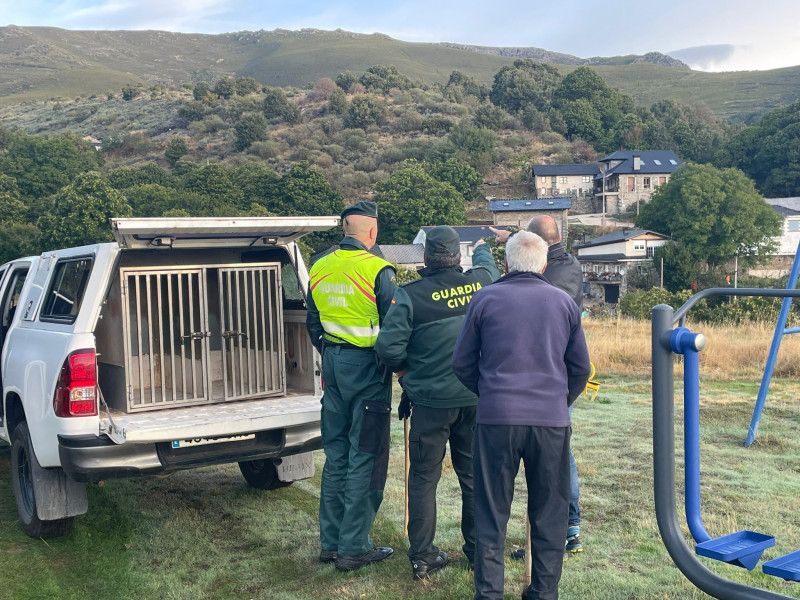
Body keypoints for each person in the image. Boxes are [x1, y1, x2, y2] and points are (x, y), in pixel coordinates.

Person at [452, 230, 591, 600]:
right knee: (550, 512)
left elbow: (462, 363)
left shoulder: (484, 299)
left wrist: (490, 394)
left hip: (497, 418)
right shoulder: (563, 303)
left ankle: (489, 593)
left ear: (507, 262)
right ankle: (543, 592)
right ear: (544, 264)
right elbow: (581, 369)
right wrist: (559, 401)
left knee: (492, 511)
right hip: (550, 420)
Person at [374, 226, 500, 580]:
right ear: (457, 258)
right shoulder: (482, 284)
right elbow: (488, 266)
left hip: (429, 402)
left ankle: (423, 556)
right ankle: (478, 552)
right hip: (477, 398)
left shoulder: (410, 295)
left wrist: (405, 375)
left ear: (425, 257)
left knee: (424, 478)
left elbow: (387, 348)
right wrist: (482, 246)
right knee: (475, 477)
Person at [306, 200, 397, 572]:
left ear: (344, 230)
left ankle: (330, 543)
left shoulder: (319, 266)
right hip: (368, 371)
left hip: (333, 365)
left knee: (337, 455)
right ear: (372, 233)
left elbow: (314, 323)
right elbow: (394, 331)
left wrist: (332, 354)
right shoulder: (378, 269)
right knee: (366, 456)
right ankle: (354, 546)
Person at [492, 216, 585, 556]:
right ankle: (566, 528)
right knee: (558, 456)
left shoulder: (556, 276)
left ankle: (563, 530)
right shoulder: (565, 264)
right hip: (551, 379)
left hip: (545, 379)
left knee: (556, 461)